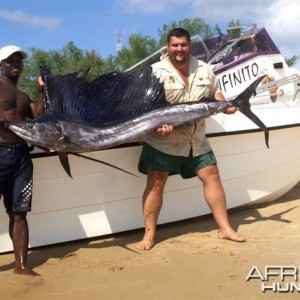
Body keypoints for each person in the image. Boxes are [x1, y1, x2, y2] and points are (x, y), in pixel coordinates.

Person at [137, 28, 246, 250]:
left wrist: (225, 106)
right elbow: (143, 109)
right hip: (162, 140)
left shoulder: (204, 69)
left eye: (183, 45)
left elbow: (216, 93)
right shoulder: (153, 72)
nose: (179, 49)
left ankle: (225, 228)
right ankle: (148, 236)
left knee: (212, 175)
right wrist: (159, 127)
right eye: (175, 45)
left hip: (196, 139)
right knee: (156, 183)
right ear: (168, 46)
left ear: (190, 46)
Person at [0, 45, 45, 276]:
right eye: (10, 61)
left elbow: (37, 116)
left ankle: (21, 265)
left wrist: (41, 91)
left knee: (19, 212)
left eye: (19, 61)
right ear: (1, 64)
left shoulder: (21, 95)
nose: (15, 64)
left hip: (21, 157)